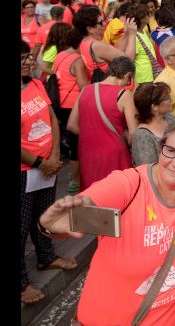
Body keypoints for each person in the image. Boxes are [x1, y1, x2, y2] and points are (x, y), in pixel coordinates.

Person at [38, 118, 175, 324]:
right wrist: (53, 224)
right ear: (161, 149)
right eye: (170, 150)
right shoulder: (130, 185)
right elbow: (77, 216)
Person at [21, 40, 76, 305]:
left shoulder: (35, 84)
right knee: (21, 225)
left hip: (48, 164)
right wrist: (39, 163)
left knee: (44, 215)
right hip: (27, 170)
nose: (29, 61)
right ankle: (22, 283)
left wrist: (53, 155)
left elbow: (52, 117)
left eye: (28, 57)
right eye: (22, 58)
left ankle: (46, 257)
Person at [66, 57, 138, 191]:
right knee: (117, 192)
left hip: (88, 152)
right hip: (114, 154)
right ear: (127, 75)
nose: (128, 84)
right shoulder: (124, 95)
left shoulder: (85, 90)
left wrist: (93, 135)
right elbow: (133, 132)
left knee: (92, 194)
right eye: (130, 80)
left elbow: (71, 125)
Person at [53, 26, 90, 193]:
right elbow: (83, 86)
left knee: (72, 141)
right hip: (73, 105)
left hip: (60, 103)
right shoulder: (78, 60)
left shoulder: (60, 55)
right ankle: (75, 180)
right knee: (77, 143)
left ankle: (74, 175)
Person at [74, 5, 136, 82]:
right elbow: (128, 61)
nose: (104, 24)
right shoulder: (97, 45)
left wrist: (126, 32)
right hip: (112, 85)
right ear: (90, 29)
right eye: (100, 23)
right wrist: (132, 34)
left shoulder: (84, 42)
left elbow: (117, 53)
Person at [132, 82, 174, 165]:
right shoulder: (142, 135)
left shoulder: (170, 118)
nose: (171, 100)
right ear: (155, 106)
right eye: (167, 98)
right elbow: (148, 167)